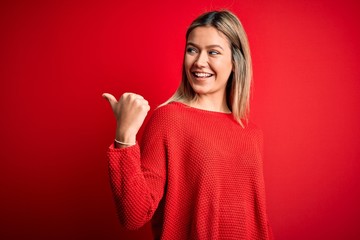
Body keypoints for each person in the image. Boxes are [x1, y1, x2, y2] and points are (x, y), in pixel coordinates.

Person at [102, 10, 273, 240]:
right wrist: (125, 136)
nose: (199, 62)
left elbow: (257, 222)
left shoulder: (251, 133)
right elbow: (134, 216)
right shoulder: (169, 120)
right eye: (192, 50)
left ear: (235, 61)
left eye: (213, 52)